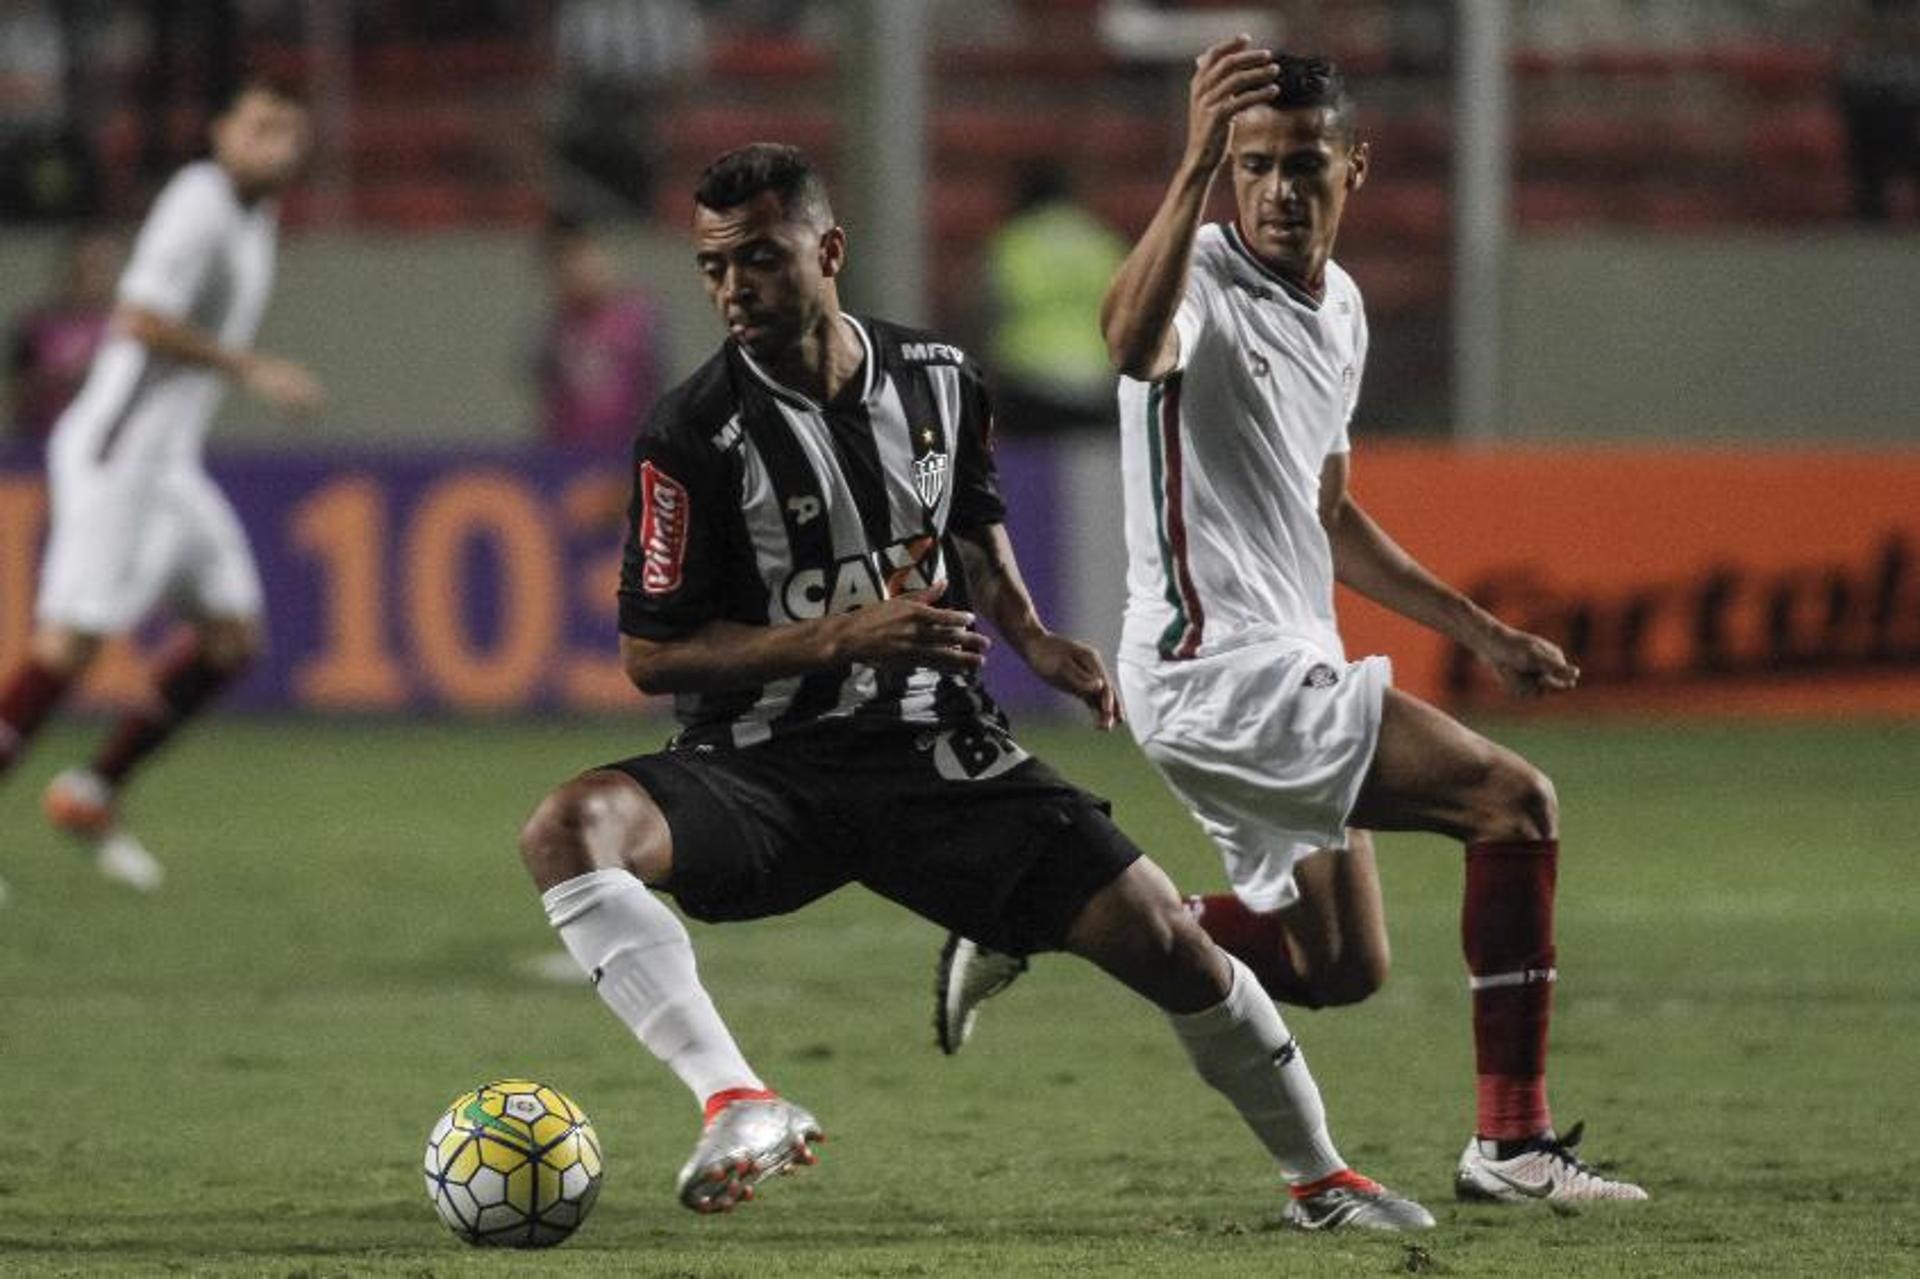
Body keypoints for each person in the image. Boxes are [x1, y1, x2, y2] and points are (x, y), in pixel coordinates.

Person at [516, 142, 1433, 1231]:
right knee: (568, 828)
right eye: (714, 266)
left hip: (937, 759)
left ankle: (1323, 1179)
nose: (733, 287)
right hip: (763, 771)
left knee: (1167, 939)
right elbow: (652, 654)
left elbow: (971, 524)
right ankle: (741, 1100)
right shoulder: (692, 432)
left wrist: (1034, 637)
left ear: (828, 249)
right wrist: (844, 636)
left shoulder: (941, 378)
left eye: (758, 257)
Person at [934, 43, 1650, 1206]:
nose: (1276, 189)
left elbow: (1330, 511)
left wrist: (1479, 630)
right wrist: (1188, 167)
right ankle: (1510, 1147)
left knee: (1339, 964)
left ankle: (1047, 913)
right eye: (1253, 165)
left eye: (1302, 166)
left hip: (1281, 663)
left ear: (1353, 168)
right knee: (1513, 802)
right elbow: (1126, 343)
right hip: (1216, 670)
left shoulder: (1344, 308)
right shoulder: (1197, 281)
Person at [0, 77, 322, 892]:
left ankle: (91, 788)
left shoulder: (256, 217)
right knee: (68, 646)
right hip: (118, 450)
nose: (272, 144)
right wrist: (251, 367)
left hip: (167, 463)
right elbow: (138, 318)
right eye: (257, 126)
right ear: (219, 133)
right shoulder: (200, 204)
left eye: (286, 131)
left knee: (231, 638)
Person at [979, 163, 1127, 434]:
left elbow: (989, 309)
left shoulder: (1015, 241)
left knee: (1030, 467)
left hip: (1027, 377)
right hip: (1094, 377)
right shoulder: (1103, 241)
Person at [534, 213, 670, 454]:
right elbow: (547, 396)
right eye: (560, 266)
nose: (573, 272)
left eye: (580, 258)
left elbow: (657, 387)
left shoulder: (638, 317)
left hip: (627, 452)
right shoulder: (554, 328)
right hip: (571, 455)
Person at [7, 228, 120, 443]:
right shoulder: (37, 325)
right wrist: (53, 377)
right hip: (37, 442)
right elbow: (16, 389)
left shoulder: (122, 330)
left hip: (101, 445)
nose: (94, 278)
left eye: (102, 269)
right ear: (69, 271)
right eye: (87, 268)